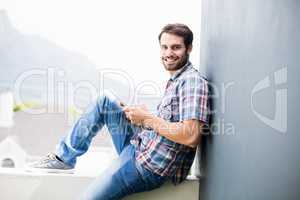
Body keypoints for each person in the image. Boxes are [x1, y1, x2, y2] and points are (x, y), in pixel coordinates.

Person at [27, 23, 209, 200]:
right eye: (165, 47)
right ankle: (63, 158)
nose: (168, 53)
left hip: (145, 167)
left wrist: (147, 119)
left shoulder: (192, 82)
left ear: (189, 48)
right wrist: (143, 118)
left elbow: (191, 136)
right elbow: (170, 123)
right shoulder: (177, 80)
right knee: (105, 100)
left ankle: (64, 158)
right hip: (140, 147)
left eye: (176, 47)